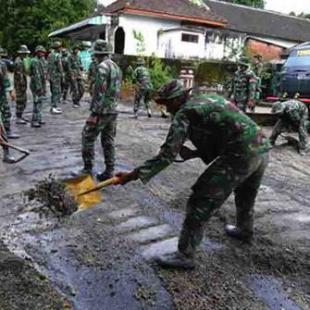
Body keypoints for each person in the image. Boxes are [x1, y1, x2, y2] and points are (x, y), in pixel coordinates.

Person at [115, 79, 270, 269]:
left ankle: (185, 254)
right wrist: (195, 153)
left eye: (167, 103)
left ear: (178, 99)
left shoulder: (184, 112)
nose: (167, 108)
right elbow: (222, 132)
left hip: (241, 153)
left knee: (200, 199)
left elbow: (166, 155)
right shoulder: (206, 100)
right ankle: (244, 229)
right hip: (261, 147)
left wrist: (132, 175)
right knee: (246, 192)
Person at [79, 39, 122, 181]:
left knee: (87, 137)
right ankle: (109, 171)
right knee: (108, 140)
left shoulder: (102, 67)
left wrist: (94, 113)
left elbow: (99, 92)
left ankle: (87, 169)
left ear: (98, 53)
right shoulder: (116, 66)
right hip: (113, 110)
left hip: (102, 111)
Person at [0, 47, 19, 139]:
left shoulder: (2, 64)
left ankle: (6, 131)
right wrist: (11, 91)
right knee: (5, 111)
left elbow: (5, 79)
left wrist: (10, 90)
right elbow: (5, 79)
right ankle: (6, 131)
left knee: (5, 111)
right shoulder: (2, 64)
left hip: (1, 91)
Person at [30, 46, 47, 128]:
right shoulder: (34, 61)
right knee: (36, 102)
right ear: (37, 52)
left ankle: (39, 118)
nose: (43, 54)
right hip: (36, 85)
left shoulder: (41, 60)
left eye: (43, 52)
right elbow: (36, 75)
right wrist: (39, 87)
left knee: (40, 101)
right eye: (41, 52)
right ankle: (34, 120)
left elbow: (44, 73)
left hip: (41, 84)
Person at [14, 45, 30, 124]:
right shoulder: (19, 62)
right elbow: (19, 74)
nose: (26, 55)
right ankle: (18, 117)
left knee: (23, 100)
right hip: (19, 85)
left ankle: (20, 115)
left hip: (21, 84)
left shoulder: (20, 60)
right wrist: (22, 84)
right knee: (20, 100)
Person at [48, 41, 63, 114]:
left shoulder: (50, 55)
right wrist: (62, 74)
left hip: (51, 75)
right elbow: (59, 66)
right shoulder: (57, 55)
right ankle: (53, 107)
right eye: (60, 47)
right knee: (56, 91)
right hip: (56, 76)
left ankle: (55, 106)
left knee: (53, 91)